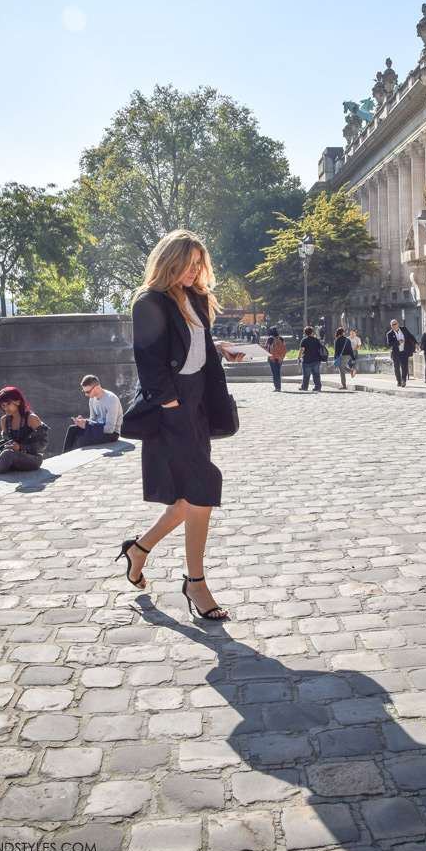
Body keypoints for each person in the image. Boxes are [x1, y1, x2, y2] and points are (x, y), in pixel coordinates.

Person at [115, 229, 244, 620]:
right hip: (171, 406)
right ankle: (196, 582)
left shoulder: (198, 297)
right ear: (170, 262)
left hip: (199, 401)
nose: (195, 270)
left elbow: (192, 343)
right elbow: (149, 358)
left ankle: (138, 550)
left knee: (188, 497)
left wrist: (219, 348)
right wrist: (171, 403)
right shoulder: (149, 301)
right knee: (204, 486)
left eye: (199, 264)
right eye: (189, 264)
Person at [0, 387, 49, 476]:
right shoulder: (4, 420)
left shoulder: (31, 418)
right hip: (10, 456)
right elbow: (5, 440)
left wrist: (20, 447)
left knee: (8, 454)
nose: (5, 408)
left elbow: (42, 444)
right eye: (3, 405)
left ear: (17, 402)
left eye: (8, 404)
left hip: (33, 458)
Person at [62, 375, 124, 452]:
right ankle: (65, 455)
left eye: (88, 392)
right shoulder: (92, 399)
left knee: (81, 441)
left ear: (97, 387)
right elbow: (92, 420)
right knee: (72, 429)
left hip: (112, 434)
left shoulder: (111, 400)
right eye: (84, 392)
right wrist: (84, 422)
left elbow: (110, 429)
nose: (86, 394)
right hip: (98, 429)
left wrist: (87, 425)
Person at [386, 318, 419, 387]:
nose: (394, 326)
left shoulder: (403, 329)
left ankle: (403, 380)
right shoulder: (389, 334)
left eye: (395, 324)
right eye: (392, 325)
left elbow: (410, 336)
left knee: (404, 366)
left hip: (404, 351)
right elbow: (389, 344)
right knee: (397, 367)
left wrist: (415, 343)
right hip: (396, 353)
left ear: (398, 324)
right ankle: (399, 381)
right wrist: (398, 342)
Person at [297, 326, 323, 391]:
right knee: (316, 374)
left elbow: (302, 349)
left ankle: (304, 387)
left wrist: (299, 357)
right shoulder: (316, 340)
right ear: (312, 332)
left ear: (305, 333)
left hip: (307, 360)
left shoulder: (304, 340)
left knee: (306, 375)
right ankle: (318, 386)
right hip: (316, 359)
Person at [265, 326, 286, 392]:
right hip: (280, 357)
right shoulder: (281, 338)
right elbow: (284, 346)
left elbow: (266, 346)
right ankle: (279, 386)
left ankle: (277, 387)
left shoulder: (270, 339)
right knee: (278, 372)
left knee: (274, 373)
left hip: (272, 357)